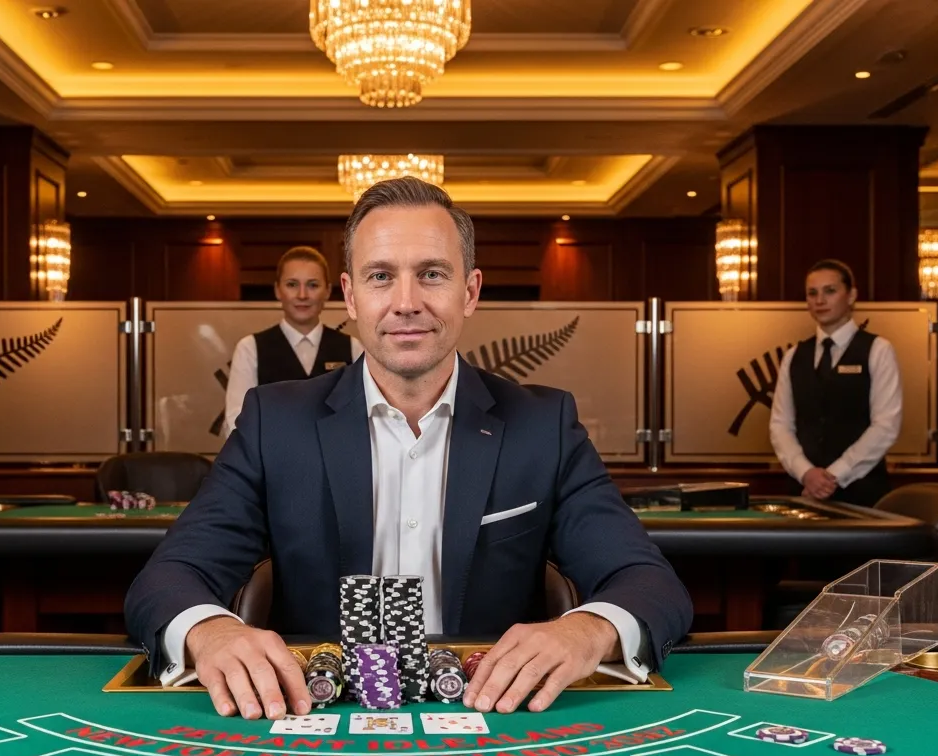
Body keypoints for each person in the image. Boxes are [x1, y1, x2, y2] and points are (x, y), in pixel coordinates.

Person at [125, 176, 691, 722]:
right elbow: (168, 577)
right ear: (349, 296)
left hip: (496, 718)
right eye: (379, 276)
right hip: (312, 715)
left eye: (432, 274)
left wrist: (584, 630)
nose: (406, 302)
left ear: (469, 292)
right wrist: (211, 631)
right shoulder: (277, 422)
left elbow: (649, 582)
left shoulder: (543, 424)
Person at [769, 259, 903, 507]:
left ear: (851, 296)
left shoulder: (878, 350)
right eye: (812, 293)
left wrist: (834, 475)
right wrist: (806, 473)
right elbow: (780, 425)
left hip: (862, 491)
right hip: (804, 491)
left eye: (830, 291)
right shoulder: (794, 356)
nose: (820, 300)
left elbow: (886, 425)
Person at [222, 246, 363, 437]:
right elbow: (236, 422)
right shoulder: (250, 348)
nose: (302, 295)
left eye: (313, 285)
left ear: (328, 291)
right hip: (272, 464)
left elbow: (361, 415)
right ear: (278, 290)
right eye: (292, 284)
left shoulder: (353, 348)